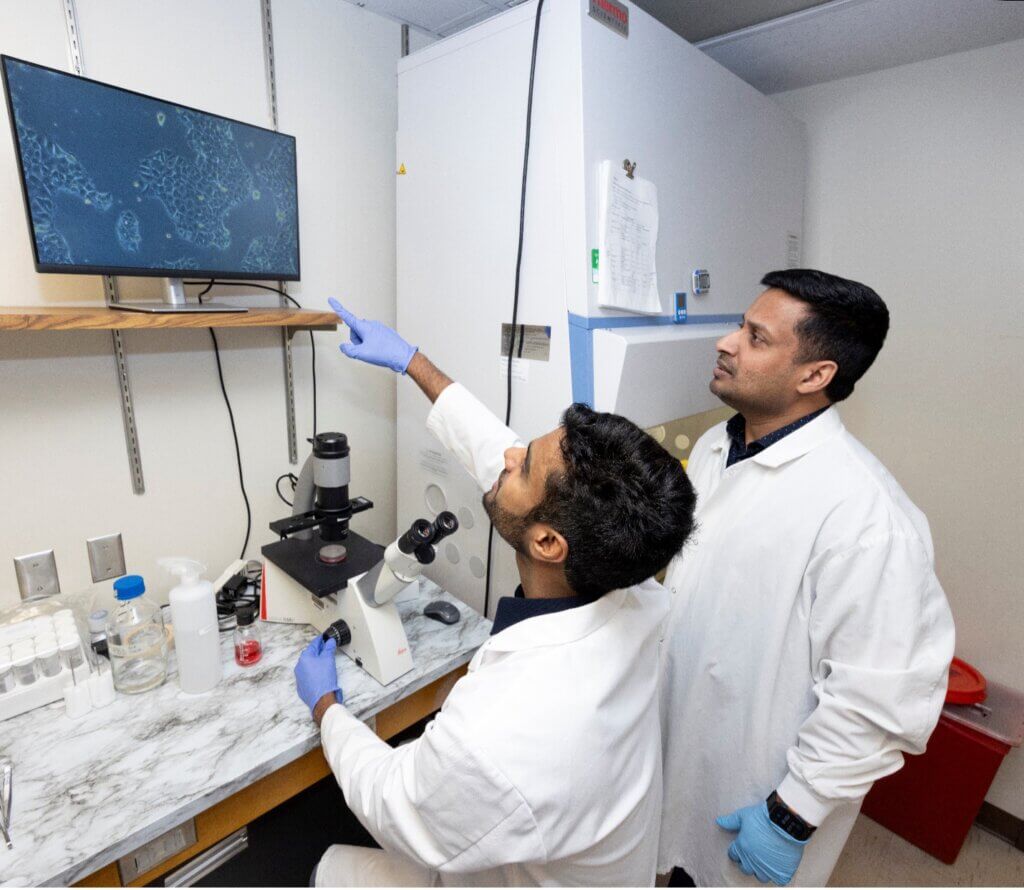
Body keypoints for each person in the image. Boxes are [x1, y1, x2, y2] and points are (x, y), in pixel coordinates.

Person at [294, 299, 697, 886]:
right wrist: (413, 362)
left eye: (523, 465)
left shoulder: (506, 728)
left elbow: (393, 801)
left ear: (548, 543)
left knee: (328, 866)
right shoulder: (636, 592)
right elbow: (502, 459)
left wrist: (327, 709)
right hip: (568, 853)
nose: (507, 456)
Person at [657, 269, 955, 887]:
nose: (726, 343)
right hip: (679, 745)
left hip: (758, 793)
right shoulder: (717, 443)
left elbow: (877, 702)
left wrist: (792, 815)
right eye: (740, 325)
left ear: (815, 375)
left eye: (756, 337)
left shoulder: (869, 519)